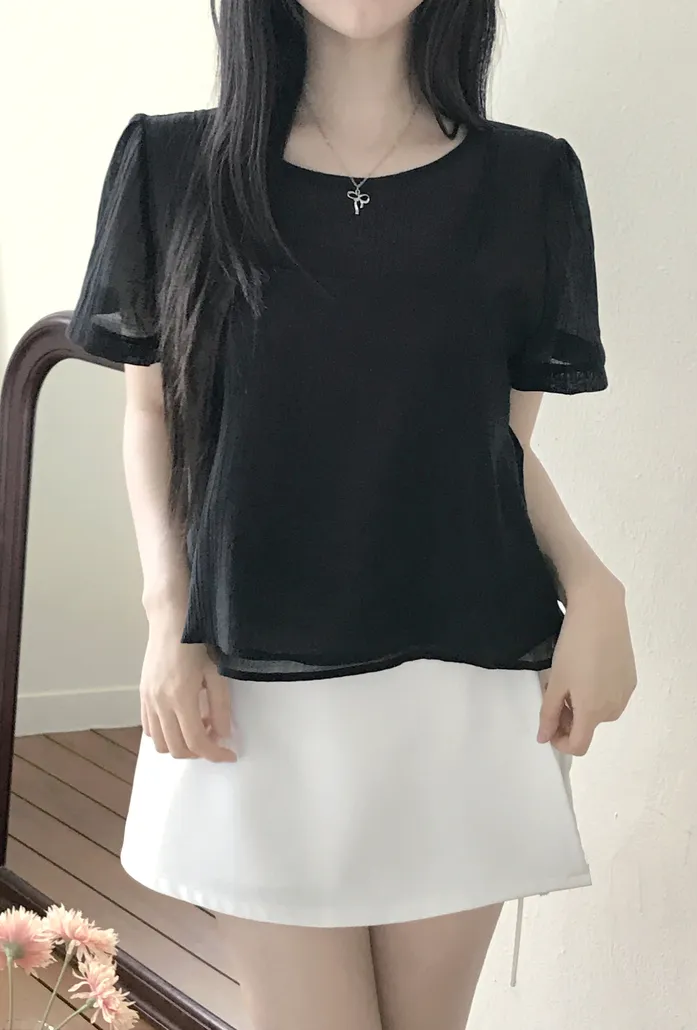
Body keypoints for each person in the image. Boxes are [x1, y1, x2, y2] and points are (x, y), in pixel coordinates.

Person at [67, 1, 637, 1027]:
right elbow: (151, 413)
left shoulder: (529, 181)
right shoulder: (172, 165)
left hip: (461, 686)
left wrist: (594, 585)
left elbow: (491, 449)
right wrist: (169, 614)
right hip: (252, 684)